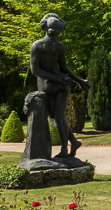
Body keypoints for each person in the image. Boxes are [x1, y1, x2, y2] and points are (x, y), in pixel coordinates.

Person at [29, 13, 90, 158]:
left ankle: (65, 149)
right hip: (63, 83)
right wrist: (80, 81)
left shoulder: (37, 45)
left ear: (45, 27)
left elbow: (35, 70)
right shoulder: (59, 46)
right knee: (59, 117)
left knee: (54, 118)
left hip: (47, 85)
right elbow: (64, 69)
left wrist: (59, 78)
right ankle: (71, 143)